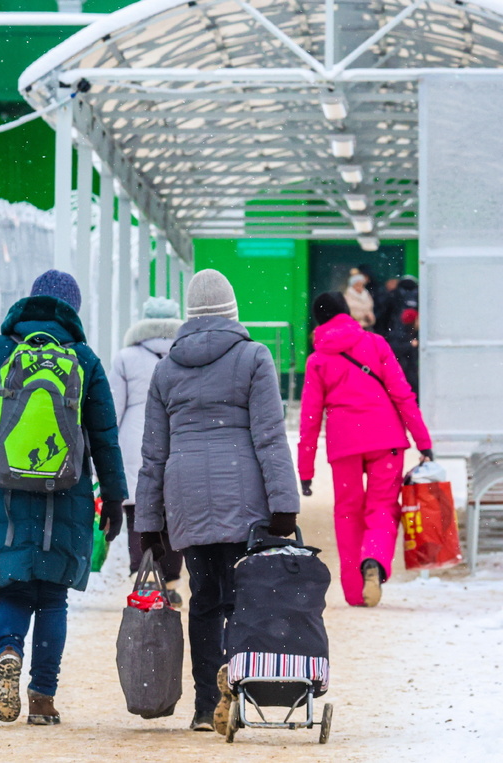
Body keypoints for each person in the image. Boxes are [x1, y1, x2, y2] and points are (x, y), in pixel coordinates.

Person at [0, 269, 127, 726]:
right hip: (64, 490)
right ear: (73, 310)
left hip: (3, 489)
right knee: (51, 595)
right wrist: (114, 497)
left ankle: (9, 651)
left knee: (12, 582)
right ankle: (43, 696)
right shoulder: (83, 359)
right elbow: (104, 438)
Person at [135, 269, 300, 733]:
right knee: (242, 597)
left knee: (204, 597)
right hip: (242, 491)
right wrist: (284, 504)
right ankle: (238, 683)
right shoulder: (253, 357)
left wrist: (148, 522)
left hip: (186, 493)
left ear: (190, 314)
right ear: (232, 310)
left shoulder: (166, 368)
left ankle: (207, 705)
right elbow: (269, 437)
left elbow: (153, 453)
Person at [297, 292, 432, 608]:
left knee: (347, 512)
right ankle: (374, 559)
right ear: (347, 312)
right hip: (386, 437)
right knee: (383, 506)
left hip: (344, 443)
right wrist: (423, 441)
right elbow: (402, 395)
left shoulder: (317, 360)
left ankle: (355, 591)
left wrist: (305, 470)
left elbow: (310, 418)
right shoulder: (375, 344)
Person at [110, 296, 185, 603]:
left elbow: (114, 408)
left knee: (139, 514)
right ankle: (171, 585)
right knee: (173, 515)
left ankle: (143, 582)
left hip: (135, 441)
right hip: (176, 437)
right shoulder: (186, 354)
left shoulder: (125, 357)